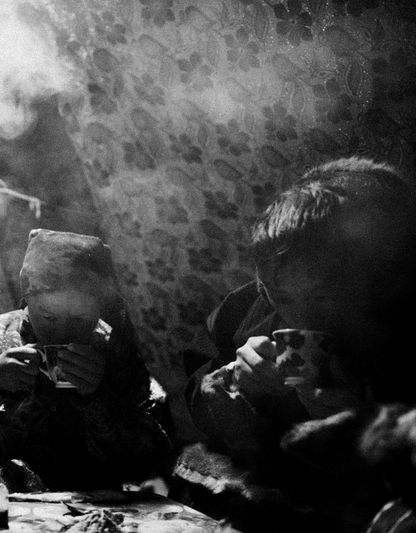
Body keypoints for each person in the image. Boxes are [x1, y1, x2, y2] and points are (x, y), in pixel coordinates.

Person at [171, 157, 416, 532]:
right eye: (281, 295)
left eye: (322, 296)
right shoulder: (248, 306)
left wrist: (363, 427)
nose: (299, 318)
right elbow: (196, 384)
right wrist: (217, 395)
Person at [0, 229, 173, 492]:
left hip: (87, 494)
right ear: (27, 301)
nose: (61, 333)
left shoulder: (113, 350)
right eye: (49, 317)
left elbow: (154, 459)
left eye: (79, 320)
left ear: (99, 309)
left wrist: (97, 398)